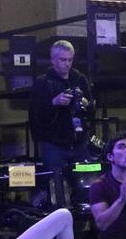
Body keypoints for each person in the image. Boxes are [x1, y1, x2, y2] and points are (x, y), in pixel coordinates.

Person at [29, 40, 95, 205]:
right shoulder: (43, 82)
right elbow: (36, 115)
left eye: (70, 60)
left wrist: (86, 104)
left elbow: (93, 110)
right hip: (54, 144)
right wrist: (54, 103)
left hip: (78, 142)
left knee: (86, 187)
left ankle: (82, 226)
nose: (67, 64)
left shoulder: (80, 79)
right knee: (57, 188)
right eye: (62, 60)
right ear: (53, 60)